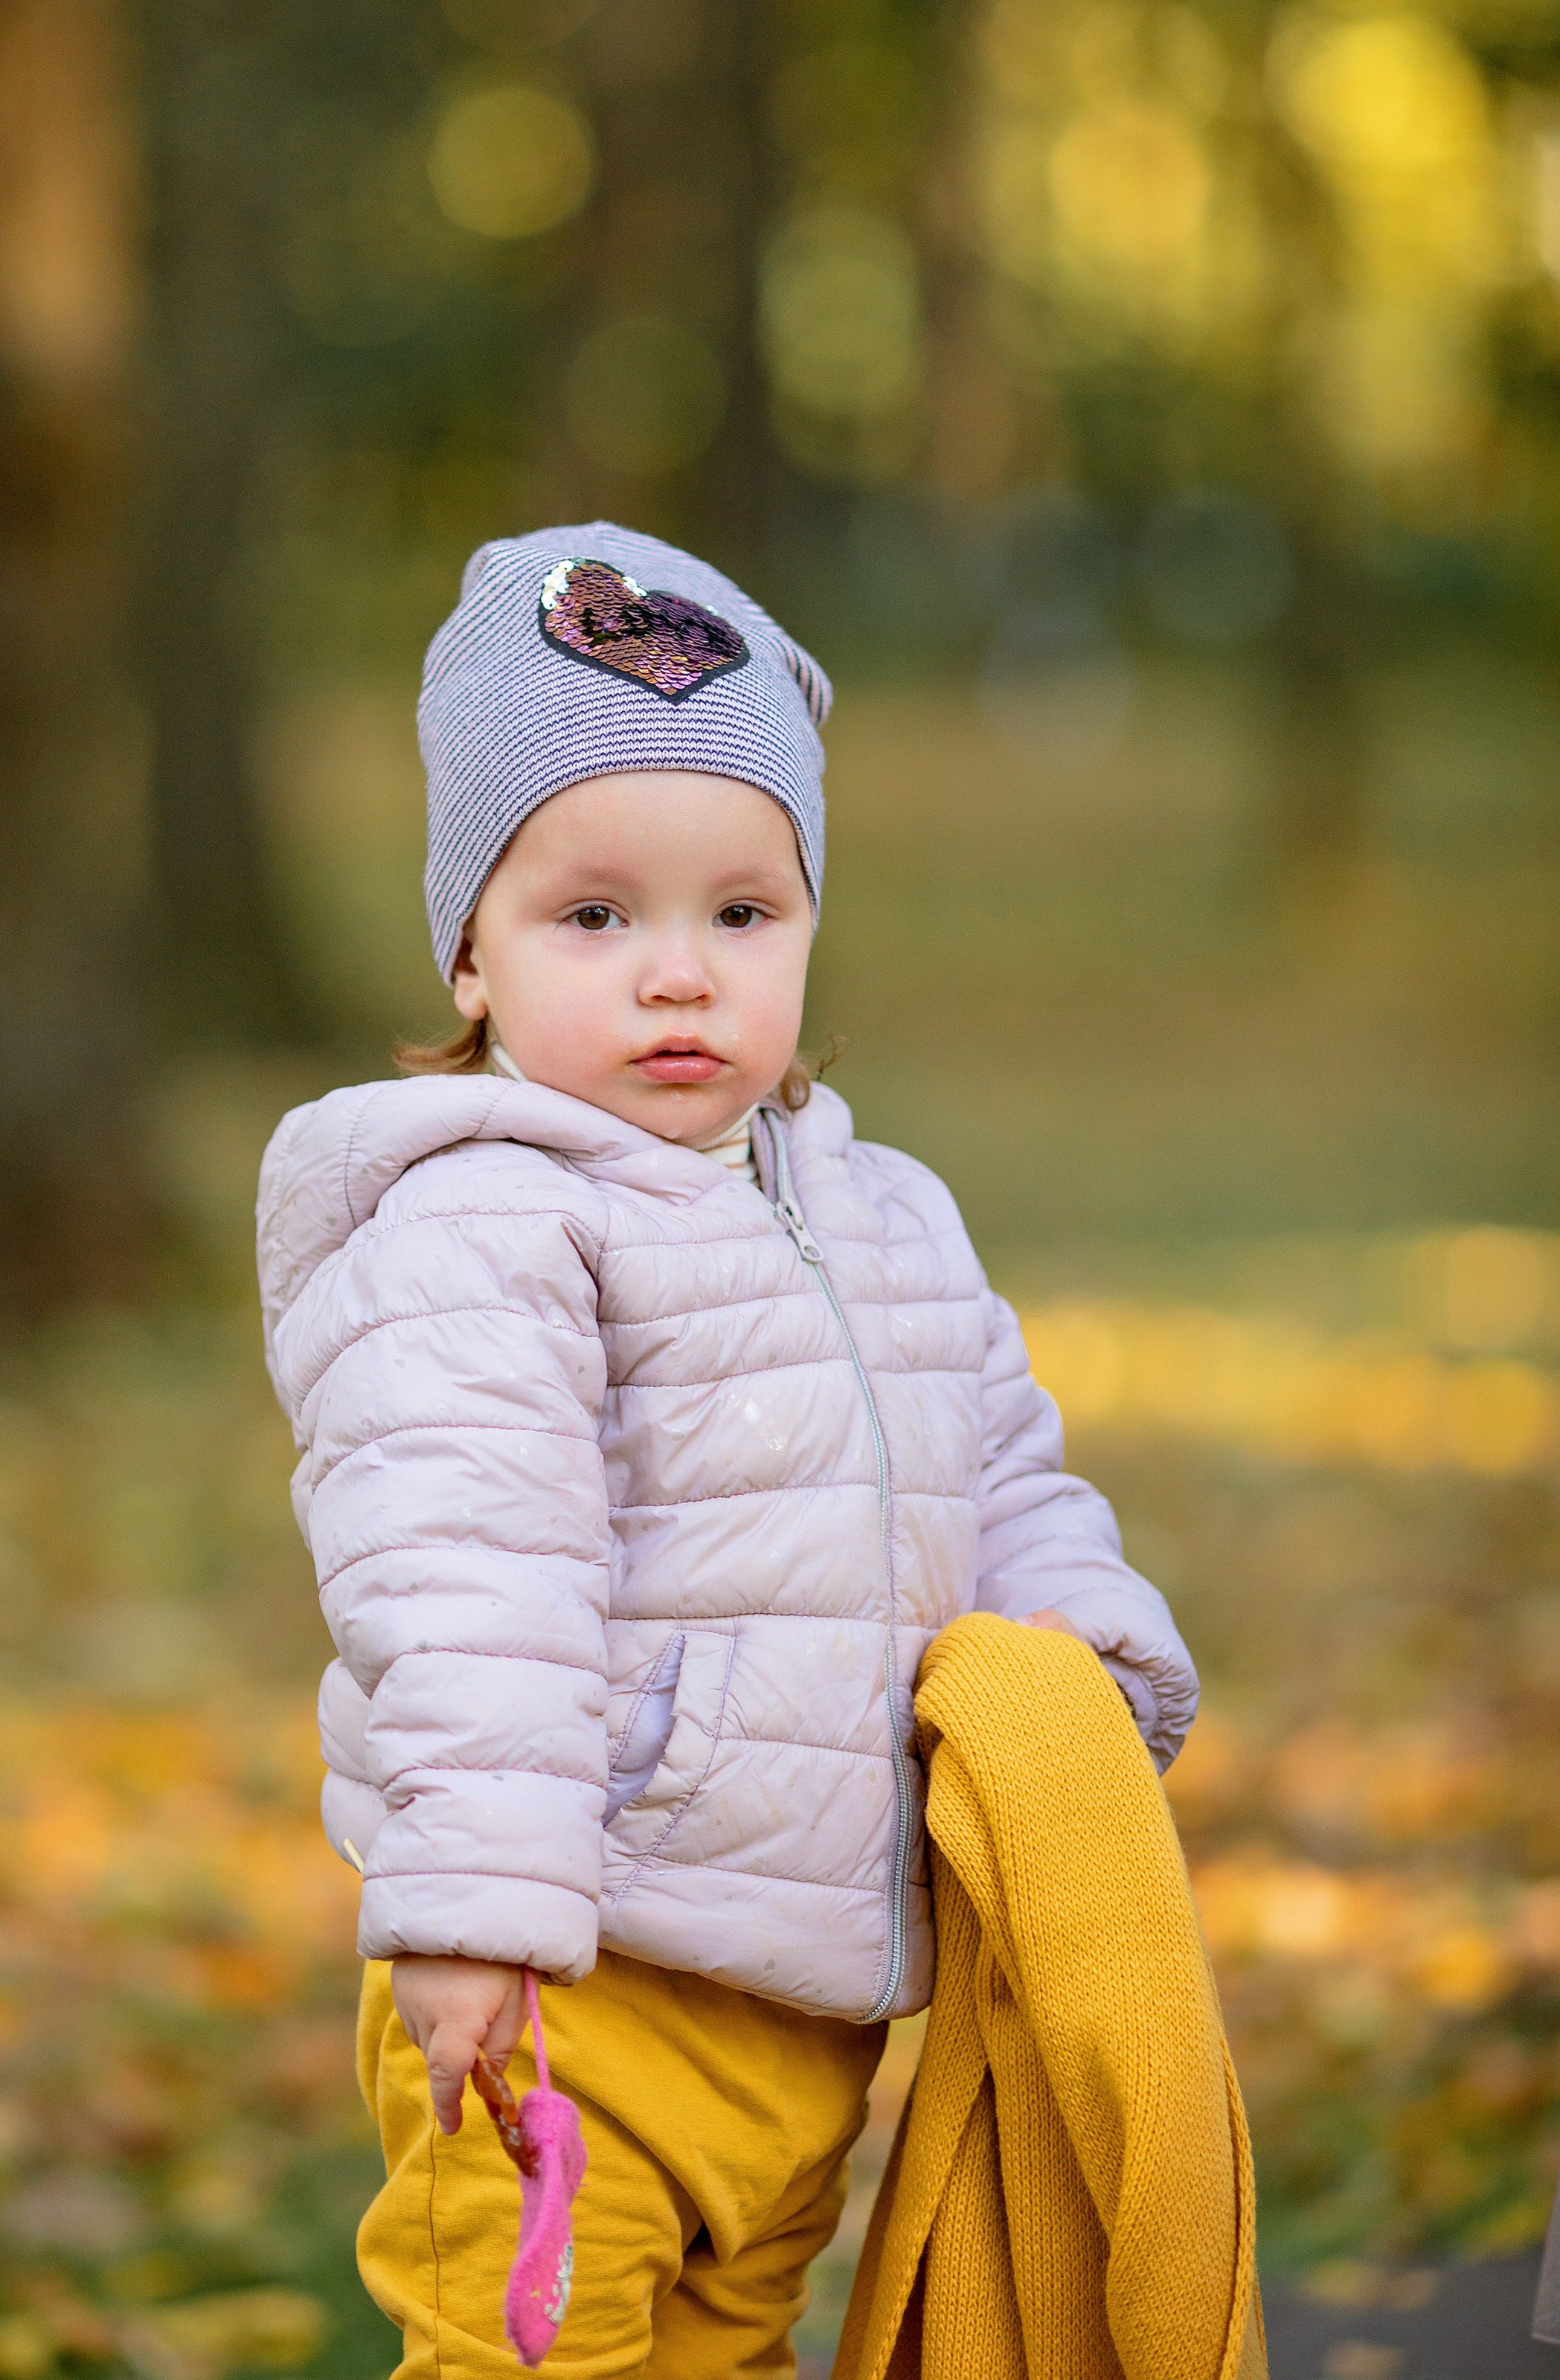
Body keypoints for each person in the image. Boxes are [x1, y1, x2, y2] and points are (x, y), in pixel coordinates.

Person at [257, 523, 1198, 2380]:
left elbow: (1003, 1470)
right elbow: (462, 1579)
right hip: (575, 1981)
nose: (676, 976)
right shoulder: (482, 1231)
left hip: (807, 1991)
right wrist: (478, 1916)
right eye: (592, 917)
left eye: (739, 915)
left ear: (806, 925)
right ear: (470, 953)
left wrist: (1083, 1669)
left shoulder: (884, 1215)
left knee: (729, 2351)